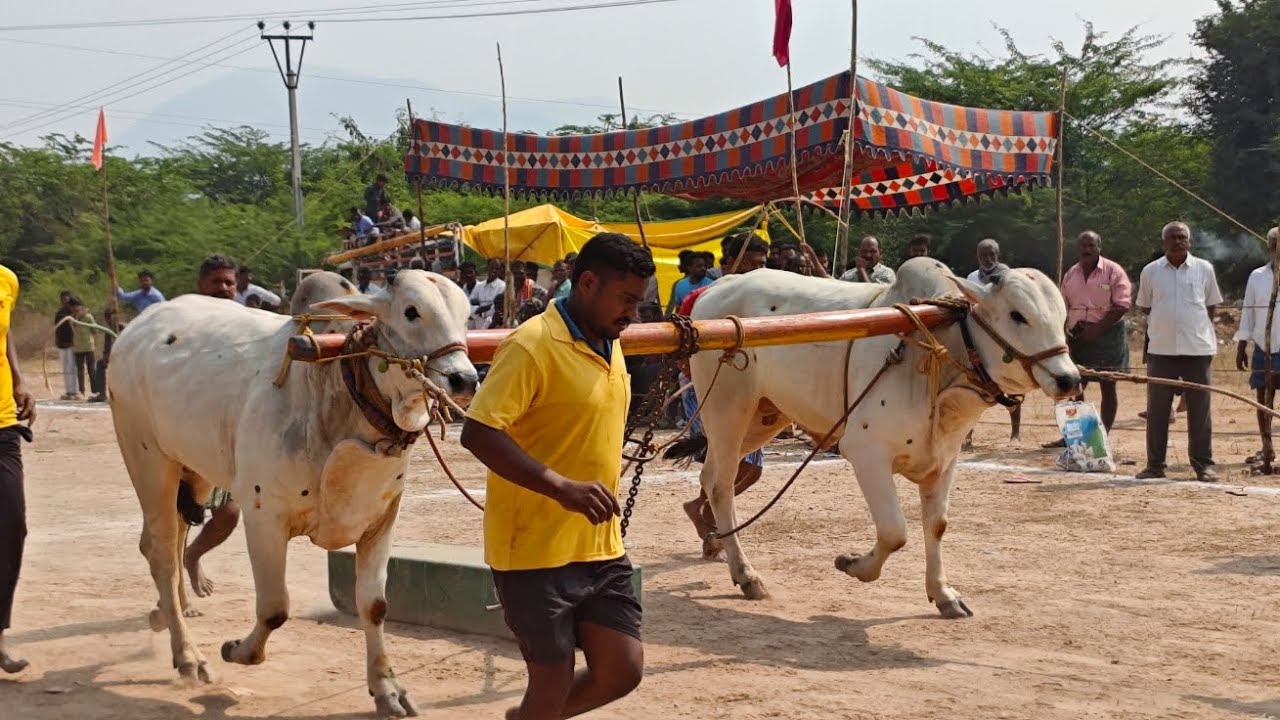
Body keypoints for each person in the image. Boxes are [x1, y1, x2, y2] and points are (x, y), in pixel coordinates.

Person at [460, 232, 651, 720]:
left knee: (622, 669)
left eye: (638, 302)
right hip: (532, 548)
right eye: (626, 299)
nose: (632, 313)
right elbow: (478, 432)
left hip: (600, 544)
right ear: (587, 283)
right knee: (552, 679)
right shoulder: (532, 346)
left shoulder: (609, 341)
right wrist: (560, 486)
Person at [675, 231, 769, 541]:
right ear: (730, 263)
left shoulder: (766, 301)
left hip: (749, 388)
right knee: (731, 462)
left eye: (762, 264)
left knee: (751, 471)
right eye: (751, 264)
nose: (758, 270)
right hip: (709, 386)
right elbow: (680, 337)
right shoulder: (705, 296)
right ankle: (709, 514)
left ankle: (704, 509)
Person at [1135, 222, 1222, 482]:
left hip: (1197, 350)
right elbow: (1145, 307)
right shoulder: (1151, 271)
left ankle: (1204, 465)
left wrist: (1194, 327)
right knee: (1158, 411)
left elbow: (1210, 306)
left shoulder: (1204, 269)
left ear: (1189, 241)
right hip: (1161, 350)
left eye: (1182, 237)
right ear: (1164, 242)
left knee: (1200, 412)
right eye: (1172, 237)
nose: (1177, 241)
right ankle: (1155, 465)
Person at [178, 255, 243, 597]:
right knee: (177, 516)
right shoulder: (185, 324)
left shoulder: (246, 325)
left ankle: (192, 557)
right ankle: (173, 591)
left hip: (224, 437)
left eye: (229, 282)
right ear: (201, 284)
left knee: (228, 514)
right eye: (216, 282)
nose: (223, 288)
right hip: (183, 434)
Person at [1044, 231, 1132, 448]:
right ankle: (1077, 435)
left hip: (1108, 335)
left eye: (1091, 245)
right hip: (1078, 336)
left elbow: (1122, 304)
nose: (1087, 249)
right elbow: (1063, 304)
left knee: (1108, 385)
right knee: (1076, 386)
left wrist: (1098, 329)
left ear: (1099, 247)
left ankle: (1103, 437)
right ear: (1078, 249)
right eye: (1083, 245)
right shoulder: (1071, 274)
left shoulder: (1113, 271)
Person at [0, 262, 35, 674]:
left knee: (10, 528)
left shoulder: (6, 279)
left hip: (3, 425)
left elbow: (4, 333)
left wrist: (19, 380)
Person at [962, 239, 1021, 447]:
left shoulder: (1007, 276)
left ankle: (1015, 434)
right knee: (973, 383)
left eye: (992, 254)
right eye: (984, 255)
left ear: (998, 255)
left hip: (1003, 338)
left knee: (1012, 383)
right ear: (977, 257)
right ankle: (967, 433)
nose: (988, 259)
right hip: (978, 339)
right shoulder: (971, 278)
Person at [1234, 227, 1280, 466]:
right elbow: (1248, 311)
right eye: (1275, 243)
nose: (1278, 248)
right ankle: (1267, 447)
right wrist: (1242, 345)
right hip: (1264, 346)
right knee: (1263, 398)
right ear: (1269, 246)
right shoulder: (1257, 276)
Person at [88, 307, 121, 403]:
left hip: (123, 357)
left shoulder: (121, 327)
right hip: (114, 357)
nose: (109, 320)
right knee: (100, 364)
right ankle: (101, 394)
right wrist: (106, 356)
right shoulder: (109, 330)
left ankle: (105, 394)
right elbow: (107, 347)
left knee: (101, 365)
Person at [69, 298, 98, 399]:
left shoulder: (88, 317)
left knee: (92, 370)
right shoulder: (72, 318)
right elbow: (73, 327)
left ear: (81, 306)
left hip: (89, 347)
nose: (75, 308)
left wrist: (85, 316)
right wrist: (77, 317)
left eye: (77, 306)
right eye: (73, 307)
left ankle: (95, 391)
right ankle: (81, 391)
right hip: (78, 348)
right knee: (80, 371)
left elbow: (95, 330)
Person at [53, 291, 78, 401]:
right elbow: (56, 328)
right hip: (62, 343)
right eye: (63, 299)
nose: (65, 301)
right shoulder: (60, 313)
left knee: (72, 367)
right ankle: (68, 391)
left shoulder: (74, 313)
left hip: (72, 343)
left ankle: (75, 391)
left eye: (66, 299)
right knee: (65, 368)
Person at [469, 258, 506, 330]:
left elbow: (496, 307)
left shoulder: (502, 286)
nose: (494, 271)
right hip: (476, 323)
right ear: (487, 268)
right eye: (492, 268)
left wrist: (480, 308)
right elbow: (470, 304)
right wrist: (479, 309)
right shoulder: (479, 286)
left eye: (497, 269)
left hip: (491, 325)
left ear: (500, 271)